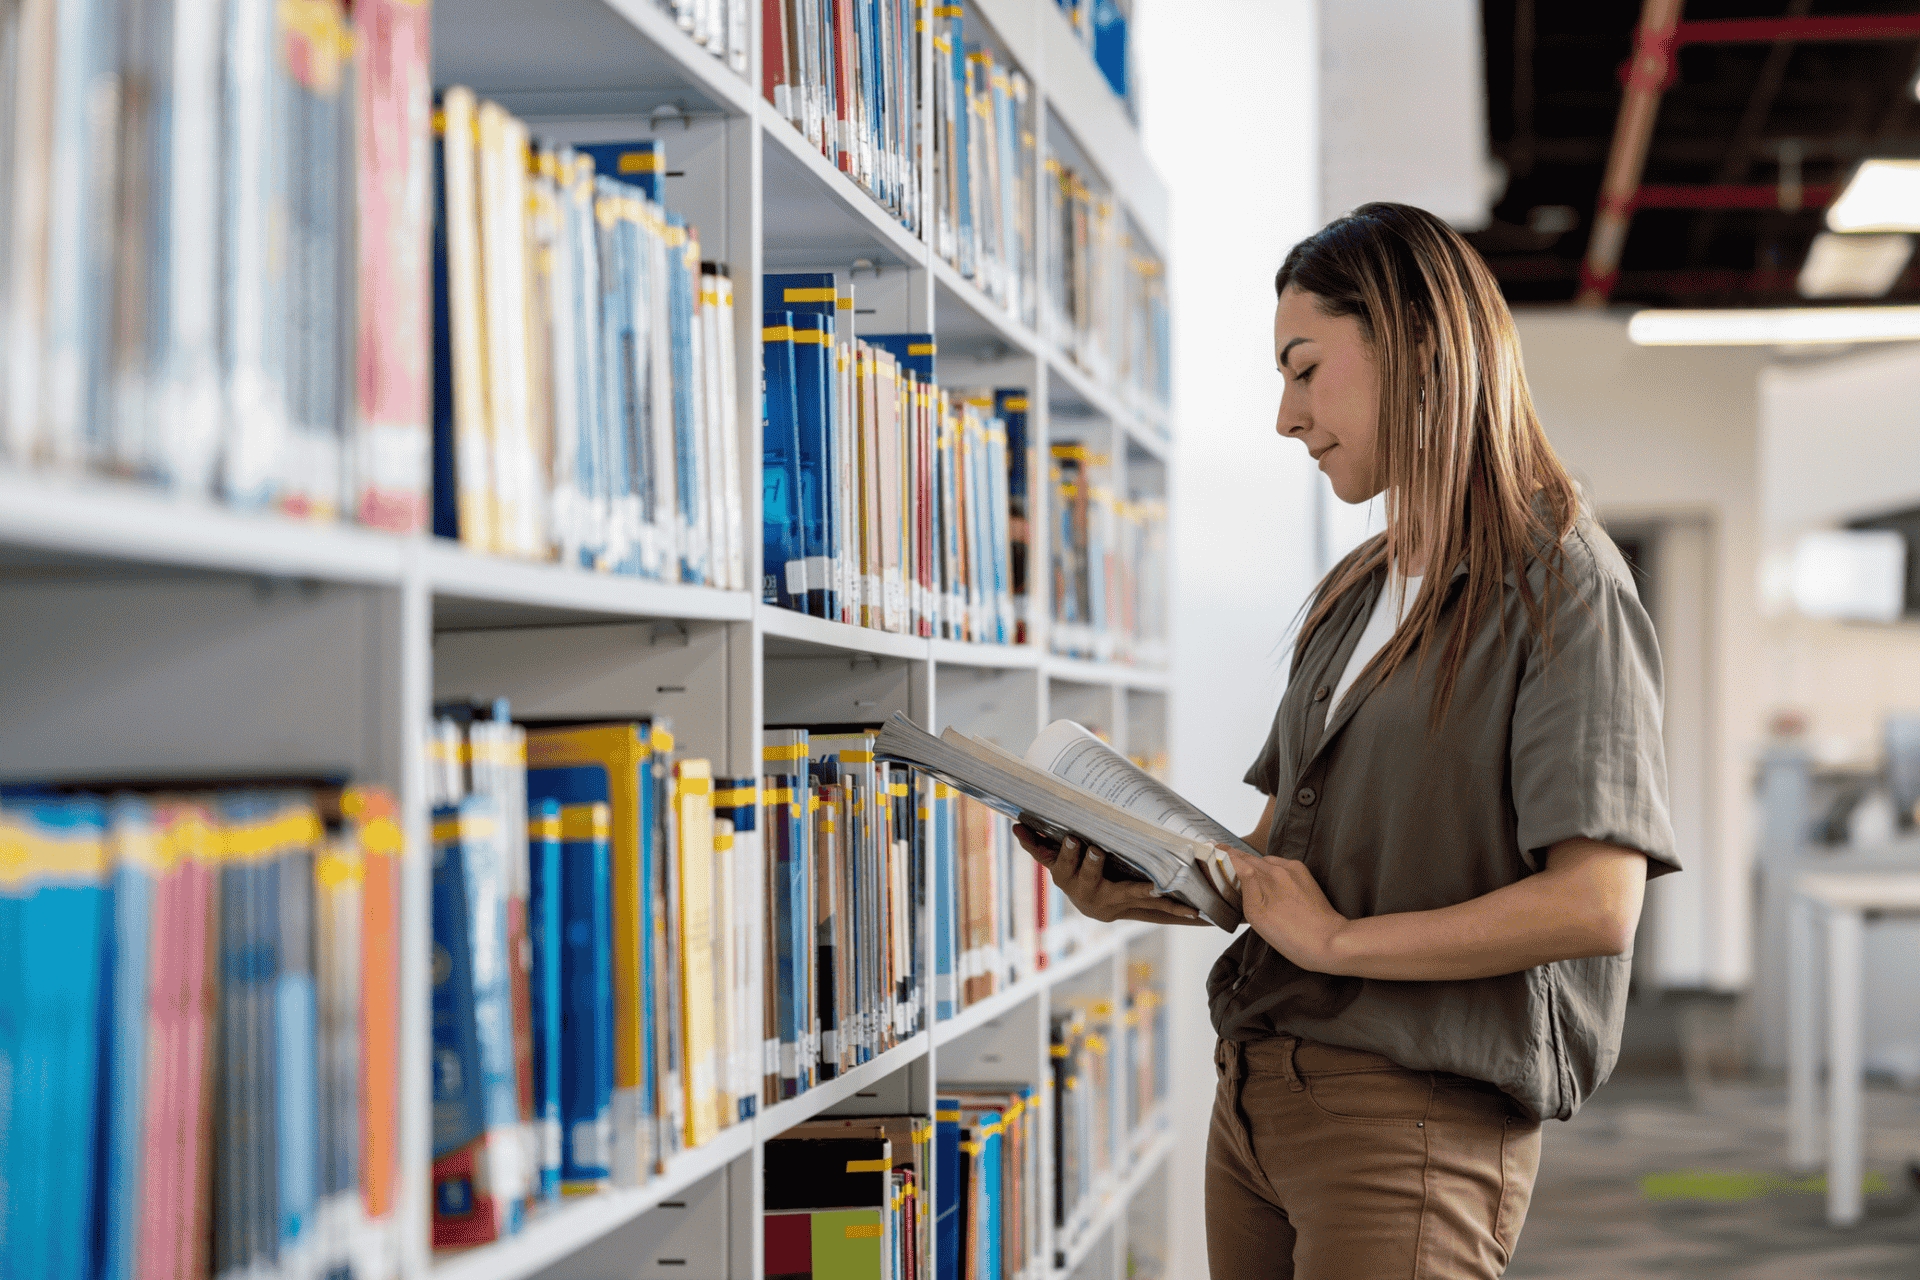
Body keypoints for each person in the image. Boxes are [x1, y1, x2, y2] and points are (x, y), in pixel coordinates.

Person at [1013, 202, 1678, 1280]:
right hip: (1261, 1100)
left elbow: (1595, 903)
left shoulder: (1562, 584)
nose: (1287, 414)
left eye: (1305, 368)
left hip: (1409, 1117)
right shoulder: (1354, 592)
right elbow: (1280, 866)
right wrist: (1140, 881)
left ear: (1413, 346)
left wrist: (1338, 945)